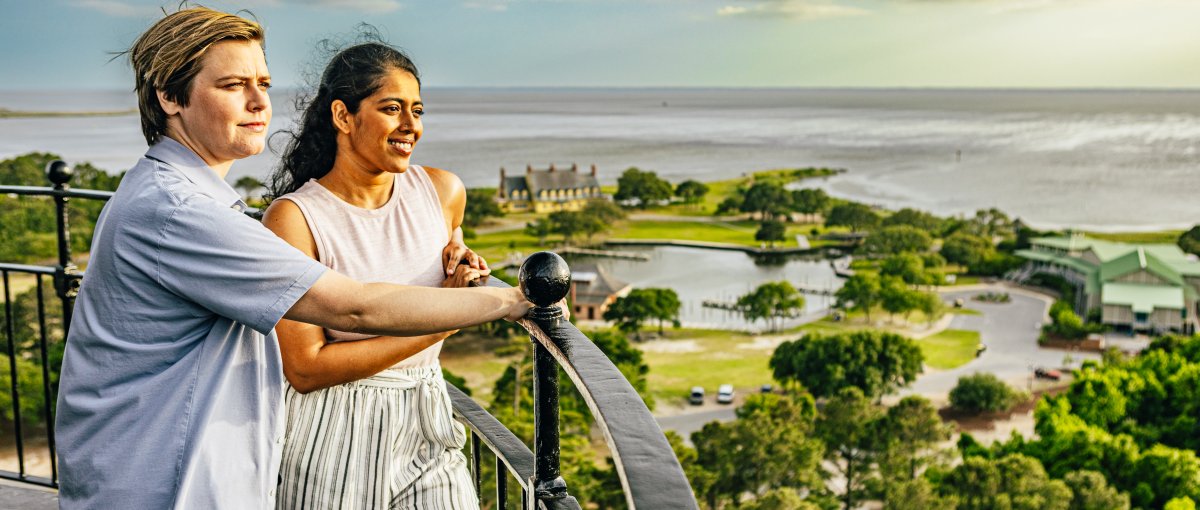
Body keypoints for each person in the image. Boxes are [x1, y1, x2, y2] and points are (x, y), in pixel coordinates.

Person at [53, 8, 532, 509]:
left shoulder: (181, 198)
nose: (260, 101)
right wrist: (512, 300)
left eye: (263, 82)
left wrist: (455, 243)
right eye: (234, 85)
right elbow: (352, 308)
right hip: (158, 482)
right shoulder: (181, 212)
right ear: (170, 97)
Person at [262, 41, 486, 509]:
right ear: (343, 116)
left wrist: (464, 261)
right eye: (391, 109)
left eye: (417, 110)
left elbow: (445, 252)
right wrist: (443, 319)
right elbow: (304, 368)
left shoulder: (443, 192)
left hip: (427, 412)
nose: (411, 126)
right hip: (332, 430)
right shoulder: (295, 220)